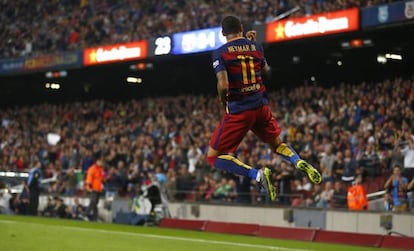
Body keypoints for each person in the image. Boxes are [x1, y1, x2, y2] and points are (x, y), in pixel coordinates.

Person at [206, 15, 322, 202]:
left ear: (223, 33)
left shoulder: (220, 53)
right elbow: (266, 71)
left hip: (239, 110)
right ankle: (297, 160)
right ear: (242, 28)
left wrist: (222, 100)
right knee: (277, 145)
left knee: (214, 157)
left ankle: (257, 175)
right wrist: (253, 47)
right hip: (261, 106)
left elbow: (223, 84)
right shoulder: (257, 47)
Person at [85, 156, 104, 221]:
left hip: (98, 189)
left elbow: (102, 178)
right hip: (93, 188)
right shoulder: (92, 169)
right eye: (100, 161)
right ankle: (86, 214)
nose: (101, 163)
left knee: (95, 203)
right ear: (97, 162)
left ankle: (94, 217)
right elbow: (89, 178)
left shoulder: (100, 169)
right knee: (93, 202)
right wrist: (89, 186)